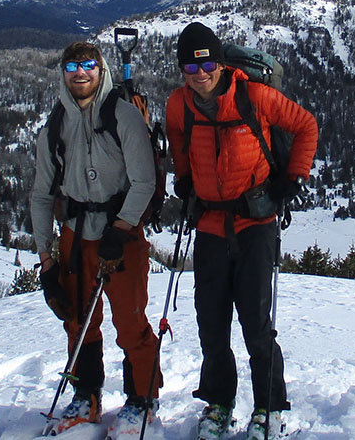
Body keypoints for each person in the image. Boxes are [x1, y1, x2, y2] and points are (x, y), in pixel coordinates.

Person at [165, 22, 318, 440]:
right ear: (182, 70)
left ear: (220, 62)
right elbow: (177, 141)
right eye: (191, 67)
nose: (201, 74)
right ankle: (219, 404)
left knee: (256, 323)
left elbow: (306, 125)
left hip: (256, 223)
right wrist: (182, 179)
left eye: (208, 63)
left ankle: (269, 408)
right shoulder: (178, 106)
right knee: (211, 324)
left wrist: (295, 177)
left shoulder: (254, 96)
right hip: (210, 224)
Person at [30, 41, 162, 438]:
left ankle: (142, 398)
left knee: (130, 319)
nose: (80, 72)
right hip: (75, 233)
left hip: (121, 234)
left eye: (89, 65)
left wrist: (121, 229)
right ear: (63, 73)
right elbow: (40, 195)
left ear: (101, 70)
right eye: (72, 66)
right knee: (76, 317)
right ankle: (86, 393)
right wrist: (46, 260)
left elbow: (144, 181)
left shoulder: (123, 117)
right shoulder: (55, 125)